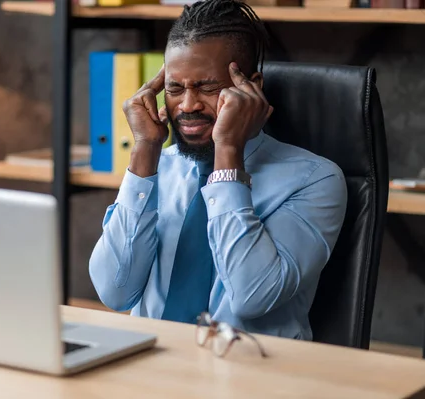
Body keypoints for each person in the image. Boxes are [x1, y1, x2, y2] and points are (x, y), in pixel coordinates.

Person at [88, 0, 347, 341]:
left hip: (248, 377)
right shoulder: (155, 169)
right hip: (151, 369)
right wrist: (144, 149)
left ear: (251, 86)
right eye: (175, 88)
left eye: (207, 87)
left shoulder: (315, 179)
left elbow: (252, 296)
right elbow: (114, 291)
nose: (188, 105)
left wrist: (227, 151)